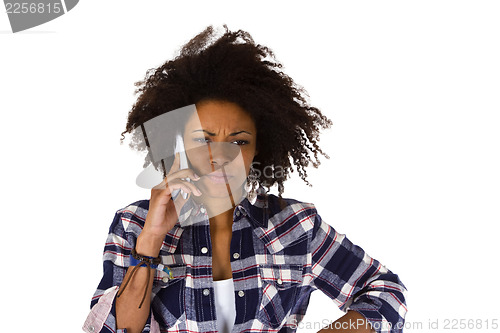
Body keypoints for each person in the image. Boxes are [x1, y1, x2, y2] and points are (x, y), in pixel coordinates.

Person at [83, 25, 407, 333]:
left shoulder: (295, 226)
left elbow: (384, 293)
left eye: (239, 141)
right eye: (203, 139)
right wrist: (151, 240)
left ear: (258, 149)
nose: (220, 156)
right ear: (178, 143)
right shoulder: (134, 224)